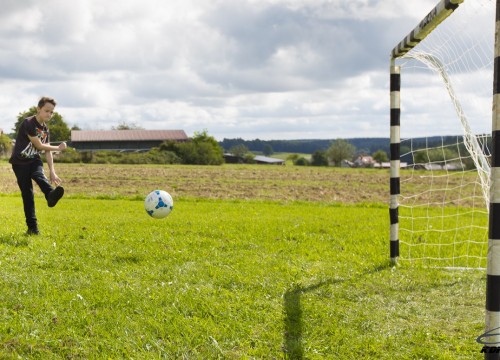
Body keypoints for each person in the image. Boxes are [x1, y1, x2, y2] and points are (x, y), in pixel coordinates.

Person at [9, 97, 68, 235]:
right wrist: (59, 148)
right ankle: (32, 228)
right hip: (20, 163)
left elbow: (47, 150)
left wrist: (52, 171)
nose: (49, 114)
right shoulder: (28, 123)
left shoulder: (46, 129)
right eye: (47, 111)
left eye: (52, 112)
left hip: (34, 160)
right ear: (39, 109)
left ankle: (50, 194)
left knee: (38, 175)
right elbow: (39, 145)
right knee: (27, 194)